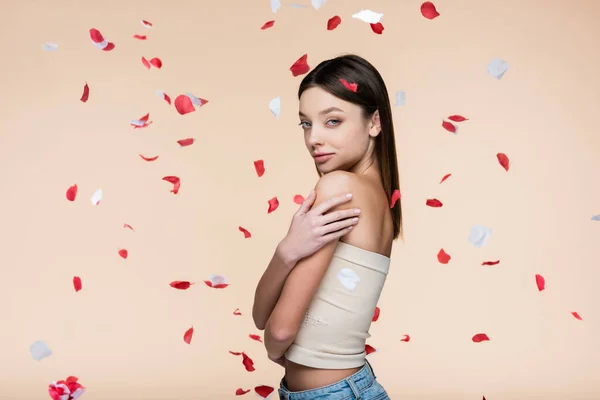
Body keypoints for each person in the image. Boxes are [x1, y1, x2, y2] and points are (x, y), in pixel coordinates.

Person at [252, 53, 402, 400]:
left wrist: (277, 348)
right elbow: (263, 319)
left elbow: (276, 329)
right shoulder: (377, 197)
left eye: (332, 121)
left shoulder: (338, 188)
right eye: (306, 124)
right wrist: (287, 251)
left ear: (374, 122)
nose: (314, 138)